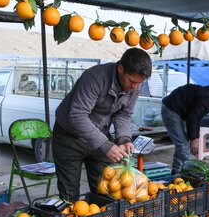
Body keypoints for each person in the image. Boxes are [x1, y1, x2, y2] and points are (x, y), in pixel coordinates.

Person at [51, 48, 152, 201]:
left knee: (108, 186)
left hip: (99, 133)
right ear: (120, 68)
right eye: (132, 81)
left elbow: (123, 114)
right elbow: (77, 115)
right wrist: (105, 145)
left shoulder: (134, 87)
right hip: (69, 136)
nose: (136, 87)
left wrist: (124, 138)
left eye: (140, 83)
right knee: (69, 193)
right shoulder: (95, 77)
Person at [161, 84, 209, 174]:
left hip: (176, 109)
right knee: (183, 144)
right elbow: (192, 118)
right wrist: (193, 139)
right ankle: (194, 174)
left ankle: (176, 172)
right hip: (171, 109)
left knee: (182, 143)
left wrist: (196, 137)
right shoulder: (207, 99)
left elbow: (198, 118)